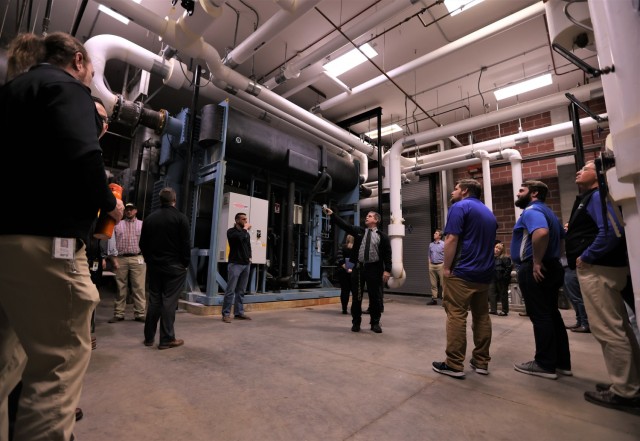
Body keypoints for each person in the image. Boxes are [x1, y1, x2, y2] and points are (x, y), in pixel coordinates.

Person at [0, 31, 124, 440]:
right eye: (89, 71)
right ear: (77, 60)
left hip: (5, 242)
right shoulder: (65, 86)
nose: (88, 78)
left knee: (6, 362)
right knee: (56, 367)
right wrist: (110, 204)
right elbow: (82, 154)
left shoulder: (12, 91)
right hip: (46, 246)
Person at [565, 161, 640, 411]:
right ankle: (632, 382)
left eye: (584, 168)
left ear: (598, 175)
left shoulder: (597, 196)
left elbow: (613, 231)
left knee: (608, 330)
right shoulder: (592, 197)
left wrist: (585, 257)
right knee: (620, 327)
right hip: (605, 268)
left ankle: (626, 392)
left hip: (599, 270)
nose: (579, 171)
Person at [432, 179, 497, 379]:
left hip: (462, 272)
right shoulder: (488, 213)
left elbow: (451, 238)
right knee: (482, 316)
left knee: (456, 315)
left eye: (456, 188)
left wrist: (448, 267)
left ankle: (454, 363)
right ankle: (481, 361)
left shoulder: (459, 207)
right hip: (484, 273)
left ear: (465, 191)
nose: (453, 191)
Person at [511, 180, 570, 380]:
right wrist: (554, 258)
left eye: (522, 191)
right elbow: (562, 239)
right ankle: (562, 363)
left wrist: (537, 261)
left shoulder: (531, 211)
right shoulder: (551, 213)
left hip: (535, 268)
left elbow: (541, 233)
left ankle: (544, 364)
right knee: (552, 314)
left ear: (533, 193)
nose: (518, 194)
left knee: (540, 316)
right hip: (553, 266)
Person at [323, 207, 391, 333]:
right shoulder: (359, 232)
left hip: (374, 270)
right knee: (356, 297)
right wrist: (333, 215)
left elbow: (387, 254)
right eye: (367, 216)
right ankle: (356, 323)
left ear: (376, 220)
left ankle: (375, 323)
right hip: (359, 269)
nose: (367, 217)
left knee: (374, 297)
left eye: (370, 216)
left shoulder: (383, 237)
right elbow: (345, 225)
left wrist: (387, 270)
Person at [139, 187, 190, 350]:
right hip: (175, 267)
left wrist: (149, 260)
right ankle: (167, 339)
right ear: (174, 200)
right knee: (169, 301)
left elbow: (143, 244)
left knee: (154, 300)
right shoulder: (181, 218)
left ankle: (148, 338)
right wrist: (185, 263)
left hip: (154, 266)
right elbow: (185, 244)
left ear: (160, 200)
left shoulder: (150, 219)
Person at [108, 202, 147, 323]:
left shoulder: (142, 225)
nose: (129, 211)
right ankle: (119, 313)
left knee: (139, 287)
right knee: (120, 287)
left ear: (136, 211)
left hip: (137, 258)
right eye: (127, 209)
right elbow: (111, 241)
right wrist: (113, 258)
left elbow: (148, 241)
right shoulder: (117, 224)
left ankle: (140, 313)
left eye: (131, 209)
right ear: (124, 211)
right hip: (121, 258)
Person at [222, 212, 253, 323]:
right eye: (243, 219)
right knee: (230, 290)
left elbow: (248, 246)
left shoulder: (246, 234)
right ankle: (226, 314)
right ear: (237, 220)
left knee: (241, 291)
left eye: (246, 219)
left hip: (246, 264)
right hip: (235, 264)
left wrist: (250, 257)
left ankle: (239, 313)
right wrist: (245, 229)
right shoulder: (231, 232)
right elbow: (239, 239)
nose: (246, 221)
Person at [562, 222, 590, 333]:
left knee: (577, 297)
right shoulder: (565, 240)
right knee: (572, 297)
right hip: (564, 268)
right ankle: (579, 321)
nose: (565, 229)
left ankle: (585, 323)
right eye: (564, 227)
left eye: (567, 227)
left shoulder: (574, 240)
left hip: (571, 268)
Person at [489, 242, 512, 316]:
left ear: (502, 250)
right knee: (492, 293)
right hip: (492, 278)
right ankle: (493, 309)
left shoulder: (505, 258)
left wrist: (505, 277)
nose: (497, 249)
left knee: (503, 294)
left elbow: (508, 268)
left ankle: (504, 310)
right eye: (496, 247)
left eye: (499, 248)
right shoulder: (491, 258)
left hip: (501, 278)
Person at [335, 234, 355, 314]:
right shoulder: (356, 249)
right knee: (355, 292)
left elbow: (339, 259)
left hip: (343, 272)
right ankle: (354, 309)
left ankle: (344, 309)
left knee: (344, 291)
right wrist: (351, 268)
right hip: (354, 272)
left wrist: (346, 267)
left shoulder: (342, 247)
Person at [427, 229, 444, 305]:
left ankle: (445, 300)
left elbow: (447, 255)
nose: (434, 234)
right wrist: (429, 264)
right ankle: (434, 299)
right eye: (434, 233)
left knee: (443, 284)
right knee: (433, 284)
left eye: (436, 233)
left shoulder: (444, 244)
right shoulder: (431, 244)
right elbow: (429, 255)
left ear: (439, 236)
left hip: (441, 265)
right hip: (432, 265)